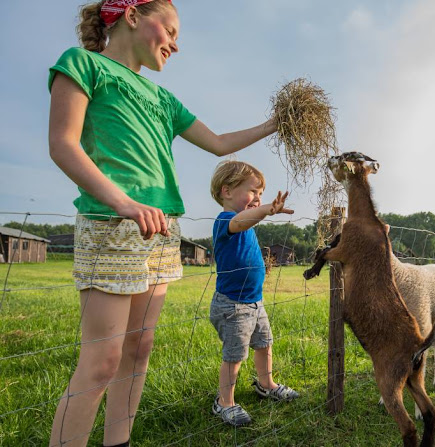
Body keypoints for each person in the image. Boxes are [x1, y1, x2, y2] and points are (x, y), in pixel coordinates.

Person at [48, 1, 281, 445]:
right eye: (170, 30)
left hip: (161, 231)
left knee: (138, 351)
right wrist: (123, 202)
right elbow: (63, 143)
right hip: (112, 224)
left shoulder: (162, 98)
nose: (176, 43)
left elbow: (217, 143)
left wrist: (275, 123)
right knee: (101, 361)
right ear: (133, 15)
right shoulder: (82, 65)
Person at [208, 160, 299, 427]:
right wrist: (266, 210)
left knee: (264, 343)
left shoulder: (247, 223)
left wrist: (261, 210)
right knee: (234, 355)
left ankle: (266, 384)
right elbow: (239, 222)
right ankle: (224, 402)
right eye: (253, 192)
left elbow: (247, 222)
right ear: (227, 192)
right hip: (233, 305)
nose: (258, 199)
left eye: (261, 195)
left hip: (254, 302)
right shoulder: (227, 220)